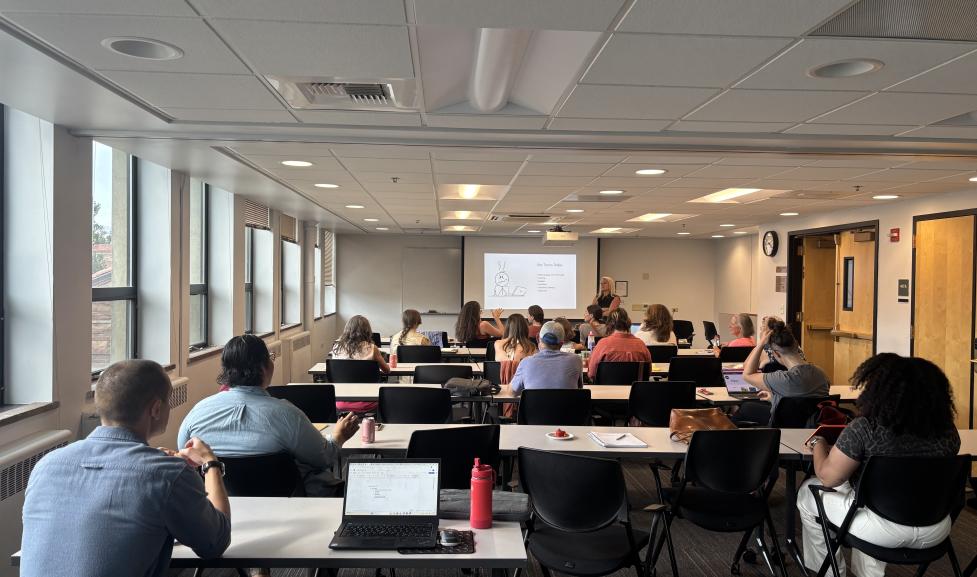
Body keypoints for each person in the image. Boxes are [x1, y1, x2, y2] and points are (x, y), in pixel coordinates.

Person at [22, 360, 231, 577]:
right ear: (156, 409)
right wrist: (211, 463)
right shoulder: (168, 474)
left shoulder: (46, 466)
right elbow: (215, 543)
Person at [797, 354, 961, 577]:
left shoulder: (865, 428)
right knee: (869, 496)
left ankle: (830, 574)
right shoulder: (949, 433)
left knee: (809, 491)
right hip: (936, 527)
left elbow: (827, 477)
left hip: (880, 529)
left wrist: (819, 443)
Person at [179, 335, 360, 497]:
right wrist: (338, 437)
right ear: (263, 368)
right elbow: (322, 458)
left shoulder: (197, 413)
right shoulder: (287, 415)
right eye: (270, 358)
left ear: (226, 370)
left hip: (217, 510)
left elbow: (185, 457)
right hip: (286, 506)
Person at [740, 319, 830, 424]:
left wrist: (761, 344)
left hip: (783, 428)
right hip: (812, 429)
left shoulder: (782, 379)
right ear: (796, 345)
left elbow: (747, 374)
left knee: (745, 408)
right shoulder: (822, 374)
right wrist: (775, 398)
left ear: (776, 354)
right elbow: (803, 404)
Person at [331, 315, 390, 413]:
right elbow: (387, 370)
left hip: (341, 399)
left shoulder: (336, 347)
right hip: (369, 399)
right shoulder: (372, 348)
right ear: (367, 331)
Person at [510, 321, 582, 393]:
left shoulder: (526, 363)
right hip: (567, 401)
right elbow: (579, 388)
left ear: (538, 338)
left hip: (536, 401)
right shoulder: (576, 360)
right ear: (561, 344)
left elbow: (512, 392)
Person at [587, 309, 652, 380]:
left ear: (609, 325)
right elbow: (648, 372)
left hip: (607, 386)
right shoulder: (641, 345)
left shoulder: (603, 344)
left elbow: (592, 373)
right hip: (634, 387)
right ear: (628, 323)